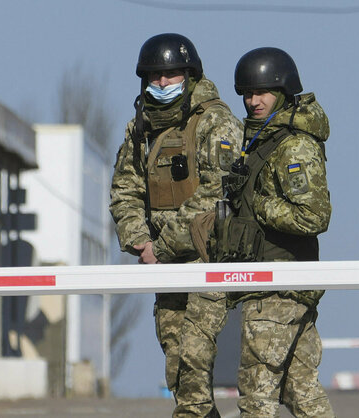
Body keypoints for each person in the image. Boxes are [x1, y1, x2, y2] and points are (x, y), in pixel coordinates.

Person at [109, 33, 242, 418]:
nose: (163, 83)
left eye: (171, 74)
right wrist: (139, 241)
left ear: (189, 74)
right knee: (180, 376)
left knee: (195, 364)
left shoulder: (215, 122)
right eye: (155, 76)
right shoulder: (141, 128)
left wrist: (162, 247)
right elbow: (125, 190)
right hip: (164, 270)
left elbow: (218, 195)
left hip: (206, 265)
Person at [214, 47, 334, 417]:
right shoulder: (260, 139)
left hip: (278, 288)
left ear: (282, 91)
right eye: (248, 94)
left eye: (262, 92)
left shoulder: (293, 144)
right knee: (302, 394)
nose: (253, 101)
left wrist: (261, 206)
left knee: (257, 400)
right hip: (267, 284)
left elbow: (314, 216)